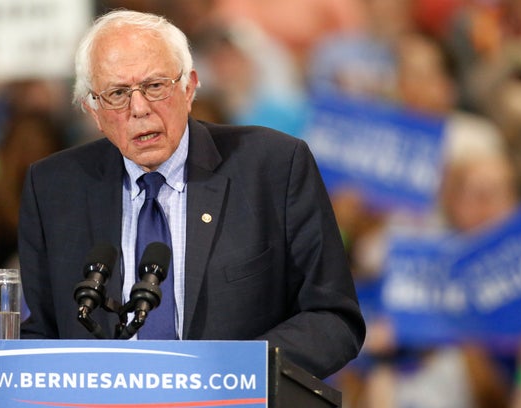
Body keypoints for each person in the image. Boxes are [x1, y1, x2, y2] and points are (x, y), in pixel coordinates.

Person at [18, 9, 365, 379]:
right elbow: (38, 333)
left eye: (154, 86)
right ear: (94, 110)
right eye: (117, 94)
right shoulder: (53, 187)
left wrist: (229, 374)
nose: (139, 109)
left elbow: (333, 319)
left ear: (189, 87)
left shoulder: (273, 168)